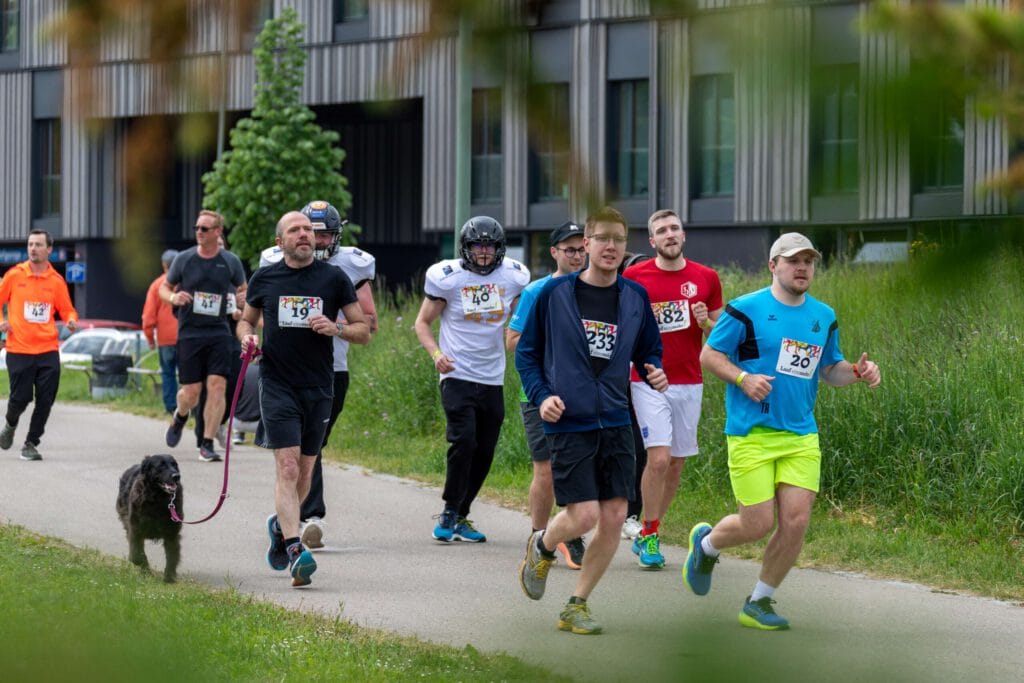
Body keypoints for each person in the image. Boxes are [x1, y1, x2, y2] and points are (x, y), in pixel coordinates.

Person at [685, 232, 881, 630]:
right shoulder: (745, 310)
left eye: (808, 261)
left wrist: (858, 372)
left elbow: (829, 370)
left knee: (795, 522)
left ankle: (759, 602)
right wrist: (742, 378)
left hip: (801, 435)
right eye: (793, 260)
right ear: (774, 265)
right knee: (756, 524)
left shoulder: (823, 316)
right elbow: (709, 354)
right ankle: (706, 546)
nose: (802, 267)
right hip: (751, 434)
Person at [515, 206, 668, 635]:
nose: (612, 247)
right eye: (603, 238)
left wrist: (653, 368)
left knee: (616, 516)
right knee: (582, 516)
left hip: (616, 418)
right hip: (569, 418)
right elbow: (526, 355)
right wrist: (542, 397)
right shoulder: (553, 295)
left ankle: (576, 604)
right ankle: (542, 545)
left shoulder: (635, 297)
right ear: (586, 243)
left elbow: (648, 349)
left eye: (619, 239)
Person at [238, 210, 370, 588]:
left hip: (319, 385)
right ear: (280, 242)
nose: (304, 235)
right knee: (289, 467)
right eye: (295, 230)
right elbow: (246, 322)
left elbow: (363, 330)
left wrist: (336, 327)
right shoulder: (265, 277)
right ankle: (295, 548)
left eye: (308, 231)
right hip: (277, 382)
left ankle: (281, 526)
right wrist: (247, 338)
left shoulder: (334, 278)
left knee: (307, 473)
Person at [259, 200, 379, 549]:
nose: (317, 239)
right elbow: (256, 311)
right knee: (290, 460)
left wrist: (334, 326)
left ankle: (289, 518)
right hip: (281, 373)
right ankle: (305, 521)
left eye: (323, 234)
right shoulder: (270, 267)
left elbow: (369, 322)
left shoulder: (345, 271)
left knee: (313, 451)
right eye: (309, 231)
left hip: (330, 371)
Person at [414, 216, 529, 542]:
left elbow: (519, 320)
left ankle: (463, 513)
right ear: (465, 248)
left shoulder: (514, 276)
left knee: (486, 448)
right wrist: (436, 355)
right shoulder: (447, 277)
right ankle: (450, 507)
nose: (483, 253)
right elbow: (422, 323)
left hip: (492, 375)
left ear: (500, 249)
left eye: (490, 246)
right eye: (477, 246)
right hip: (457, 372)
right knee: (463, 440)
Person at [623, 210, 723, 570]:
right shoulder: (634, 277)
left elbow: (720, 334)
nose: (669, 234)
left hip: (689, 380)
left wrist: (705, 322)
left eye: (674, 228)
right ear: (652, 241)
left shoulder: (706, 277)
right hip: (648, 379)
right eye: (661, 231)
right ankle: (649, 534)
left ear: (683, 235)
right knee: (659, 458)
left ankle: (652, 527)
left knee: (676, 464)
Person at [506, 221, 588, 569]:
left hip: (584, 396)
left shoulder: (599, 291)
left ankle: (571, 531)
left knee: (581, 467)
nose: (576, 255)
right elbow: (512, 341)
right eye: (569, 249)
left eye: (581, 249)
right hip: (540, 394)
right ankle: (539, 537)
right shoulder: (537, 292)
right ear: (554, 253)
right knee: (546, 469)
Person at [160, 210, 247, 463]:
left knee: (217, 385)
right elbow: (164, 288)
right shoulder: (184, 260)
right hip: (190, 333)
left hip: (219, 332)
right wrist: (174, 297)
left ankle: (207, 443)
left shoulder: (230, 261)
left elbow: (243, 289)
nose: (199, 232)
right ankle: (180, 414)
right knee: (191, 392)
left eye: (205, 228)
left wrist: (242, 298)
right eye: (197, 227)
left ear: (218, 232)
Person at [0, 230, 80, 461]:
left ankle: (31, 443)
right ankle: (10, 424)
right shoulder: (15, 275)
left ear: (49, 249)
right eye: (30, 244)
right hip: (19, 348)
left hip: (48, 349)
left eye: (38, 244)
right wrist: (3, 322)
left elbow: (66, 309)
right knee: (21, 398)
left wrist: (71, 320)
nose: (33, 248)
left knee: (46, 398)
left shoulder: (56, 281)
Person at [192, 234, 243, 450]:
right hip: (206, 339)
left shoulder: (233, 275)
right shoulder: (197, 276)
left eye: (221, 245)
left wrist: (241, 311)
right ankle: (204, 435)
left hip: (232, 339)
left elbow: (248, 303)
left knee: (232, 388)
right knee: (210, 388)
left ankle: (219, 424)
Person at [619, 251, 650, 541]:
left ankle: (631, 514)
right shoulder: (612, 303)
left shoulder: (654, 309)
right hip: (610, 388)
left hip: (642, 386)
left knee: (641, 451)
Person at [142, 249, 180, 414]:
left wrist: (150, 339)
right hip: (186, 336)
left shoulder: (157, 285)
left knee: (168, 373)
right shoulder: (186, 282)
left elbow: (148, 317)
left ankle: (171, 407)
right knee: (189, 375)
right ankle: (190, 406)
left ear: (164, 265)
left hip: (165, 339)